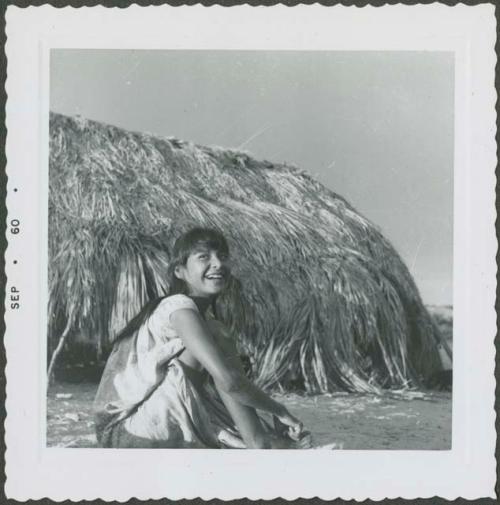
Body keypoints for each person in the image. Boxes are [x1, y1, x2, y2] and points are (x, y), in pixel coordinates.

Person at [94, 227, 311, 448]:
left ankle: (259, 441)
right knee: (218, 336)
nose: (218, 263)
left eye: (222, 256)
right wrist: (279, 410)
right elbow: (230, 382)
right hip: (132, 428)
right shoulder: (178, 306)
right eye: (203, 257)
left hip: (134, 428)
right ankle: (258, 442)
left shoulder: (200, 316)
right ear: (180, 271)